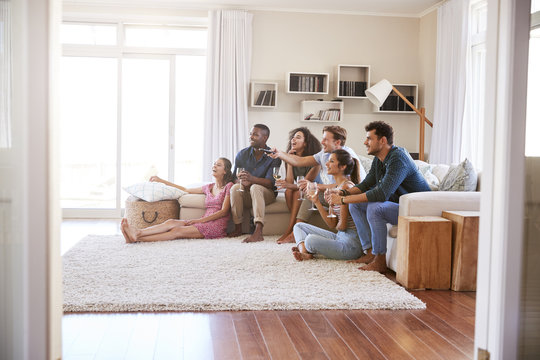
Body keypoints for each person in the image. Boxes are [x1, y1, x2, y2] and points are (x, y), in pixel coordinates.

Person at [328, 121, 431, 273]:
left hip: (416, 210)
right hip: (400, 206)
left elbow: (381, 193)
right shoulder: (379, 159)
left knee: (376, 208)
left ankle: (380, 260)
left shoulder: (398, 158)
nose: (365, 142)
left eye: (369, 138)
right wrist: (343, 193)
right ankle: (369, 252)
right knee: (356, 205)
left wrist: (343, 200)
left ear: (382, 141)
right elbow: (365, 184)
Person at [270, 126, 366, 244]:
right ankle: (295, 231)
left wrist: (316, 186)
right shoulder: (325, 154)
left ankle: (295, 233)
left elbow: (345, 187)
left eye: (325, 139)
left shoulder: (346, 157)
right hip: (334, 195)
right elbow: (299, 161)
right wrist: (279, 153)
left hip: (349, 198)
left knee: (311, 190)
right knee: (309, 193)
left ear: (337, 142)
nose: (322, 142)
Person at [121, 158, 234, 243]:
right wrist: (162, 180)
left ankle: (138, 238)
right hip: (203, 220)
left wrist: (199, 221)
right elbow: (185, 189)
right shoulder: (209, 187)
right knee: (171, 222)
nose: (214, 166)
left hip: (215, 226)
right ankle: (138, 233)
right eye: (214, 164)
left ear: (225, 171)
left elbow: (224, 211)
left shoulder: (229, 186)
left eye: (218, 165)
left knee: (177, 231)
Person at [292, 149, 362, 261]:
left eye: (331, 161)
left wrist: (333, 206)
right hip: (340, 237)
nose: (326, 164)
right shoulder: (335, 189)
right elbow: (331, 224)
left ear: (342, 167)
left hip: (351, 246)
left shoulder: (346, 188)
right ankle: (305, 253)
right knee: (298, 226)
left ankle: (304, 249)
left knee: (310, 240)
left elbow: (342, 227)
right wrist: (317, 202)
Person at [228, 124, 282, 243]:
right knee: (235, 188)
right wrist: (241, 181)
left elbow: (270, 183)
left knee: (256, 187)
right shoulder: (242, 154)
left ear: (265, 138)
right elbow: (233, 178)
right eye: (251, 134)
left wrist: (252, 180)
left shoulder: (274, 157)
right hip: (247, 193)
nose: (251, 137)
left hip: (266, 194)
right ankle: (238, 228)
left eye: (255, 134)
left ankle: (258, 231)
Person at [274, 127, 321, 244]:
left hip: (315, 189)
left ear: (305, 143)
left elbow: (305, 183)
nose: (293, 139)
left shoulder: (314, 161)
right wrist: (289, 162)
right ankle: (294, 229)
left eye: (298, 137)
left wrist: (288, 185)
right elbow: (290, 183)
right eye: (293, 137)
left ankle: (290, 230)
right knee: (289, 191)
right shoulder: (291, 158)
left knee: (297, 193)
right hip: (301, 189)